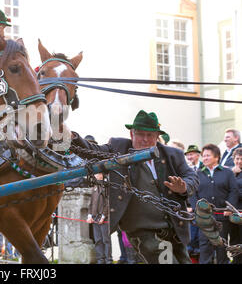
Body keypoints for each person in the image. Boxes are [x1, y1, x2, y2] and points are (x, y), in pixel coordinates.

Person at [72, 110, 198, 264]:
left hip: (174, 228)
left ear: (157, 137)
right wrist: (72, 138)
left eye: (150, 135)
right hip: (142, 230)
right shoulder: (118, 147)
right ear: (132, 134)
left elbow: (192, 177)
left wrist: (183, 187)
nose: (145, 139)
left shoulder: (173, 154)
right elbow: (93, 151)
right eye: (140, 134)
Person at [196, 144, 239, 264]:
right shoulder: (197, 173)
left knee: (221, 247)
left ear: (217, 157)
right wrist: (197, 209)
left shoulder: (227, 172)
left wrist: (229, 207)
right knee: (205, 247)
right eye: (203, 156)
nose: (204, 158)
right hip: (205, 218)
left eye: (207, 155)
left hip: (222, 216)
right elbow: (193, 194)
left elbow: (233, 191)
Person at [86, 175, 112, 264]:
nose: (96, 176)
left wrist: (103, 216)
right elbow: (91, 203)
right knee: (98, 240)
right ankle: (100, 259)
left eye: (98, 174)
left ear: (101, 175)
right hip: (94, 218)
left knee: (106, 240)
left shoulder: (106, 187)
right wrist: (89, 216)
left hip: (104, 218)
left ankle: (108, 260)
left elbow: (108, 203)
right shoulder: (94, 188)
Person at [184, 144, 202, 260]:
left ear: (198, 155)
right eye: (188, 155)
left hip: (203, 205)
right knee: (191, 236)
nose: (189, 157)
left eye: (191, 154)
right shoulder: (185, 169)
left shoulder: (204, 167)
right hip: (190, 207)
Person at [230, 147, 242, 264]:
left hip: (241, 211)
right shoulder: (230, 172)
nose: (239, 161)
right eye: (237, 158)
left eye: (241, 159)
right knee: (233, 240)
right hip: (231, 212)